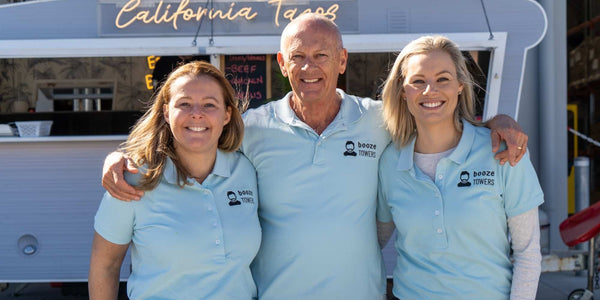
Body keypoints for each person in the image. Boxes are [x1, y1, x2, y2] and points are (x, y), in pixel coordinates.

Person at [101, 14, 528, 300]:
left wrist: (498, 122)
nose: (310, 67)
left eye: (322, 55)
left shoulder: (379, 120)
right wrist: (120, 156)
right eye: (298, 57)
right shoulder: (254, 128)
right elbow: (190, 131)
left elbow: (436, 112)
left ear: (342, 61)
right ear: (282, 65)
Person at [377, 35, 543, 300]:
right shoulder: (389, 162)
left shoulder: (503, 151)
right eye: (418, 81)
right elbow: (372, 243)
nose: (430, 89)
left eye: (443, 79)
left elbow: (528, 253)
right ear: (402, 90)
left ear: (460, 86)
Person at [89, 61, 261, 299]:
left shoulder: (248, 170)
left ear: (227, 115)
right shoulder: (133, 179)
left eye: (209, 105)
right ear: (167, 113)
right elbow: (105, 266)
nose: (197, 114)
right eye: (185, 104)